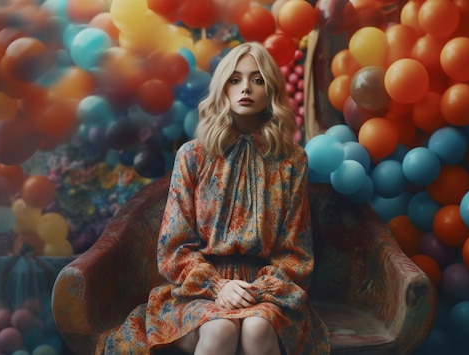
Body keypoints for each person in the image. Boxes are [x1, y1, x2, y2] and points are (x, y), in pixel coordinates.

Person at [98, 42, 330, 355]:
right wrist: (218, 286)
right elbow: (174, 246)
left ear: (271, 90)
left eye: (257, 79)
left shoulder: (292, 161)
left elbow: (296, 252)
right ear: (222, 88)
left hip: (270, 291)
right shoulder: (192, 155)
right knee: (221, 328)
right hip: (198, 289)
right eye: (235, 79)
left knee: (258, 327)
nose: (245, 87)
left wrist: (256, 290)